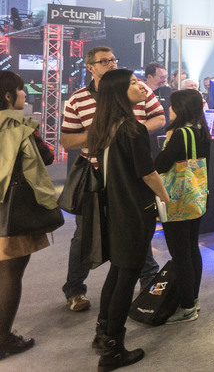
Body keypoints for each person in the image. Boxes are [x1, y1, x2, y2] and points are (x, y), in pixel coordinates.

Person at [60, 46, 165, 312]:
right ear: (90, 67)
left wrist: (133, 133)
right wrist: (105, 135)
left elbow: (159, 118)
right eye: (104, 61)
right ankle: (75, 290)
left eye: (113, 60)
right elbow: (67, 140)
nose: (111, 64)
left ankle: (149, 283)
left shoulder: (138, 89)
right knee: (85, 233)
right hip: (94, 175)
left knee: (136, 230)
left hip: (130, 174)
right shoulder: (77, 99)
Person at [87, 69, 171, 371]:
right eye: (134, 83)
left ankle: (104, 333)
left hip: (116, 207)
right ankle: (113, 350)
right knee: (127, 275)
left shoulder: (106, 126)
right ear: (121, 92)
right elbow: (147, 173)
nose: (141, 86)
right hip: (135, 210)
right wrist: (166, 197)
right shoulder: (132, 129)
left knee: (119, 271)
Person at [0, 71, 58, 361]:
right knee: (10, 272)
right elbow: (47, 157)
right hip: (11, 210)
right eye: (21, 90)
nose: (25, 94)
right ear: (8, 96)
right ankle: (3, 339)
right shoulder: (20, 126)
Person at [153, 89, 210, 325]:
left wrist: (167, 142)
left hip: (177, 201)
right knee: (191, 249)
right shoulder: (201, 130)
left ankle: (187, 307)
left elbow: (160, 165)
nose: (169, 109)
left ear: (180, 108)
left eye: (172, 105)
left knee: (180, 255)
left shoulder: (179, 135)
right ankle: (193, 300)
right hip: (196, 198)